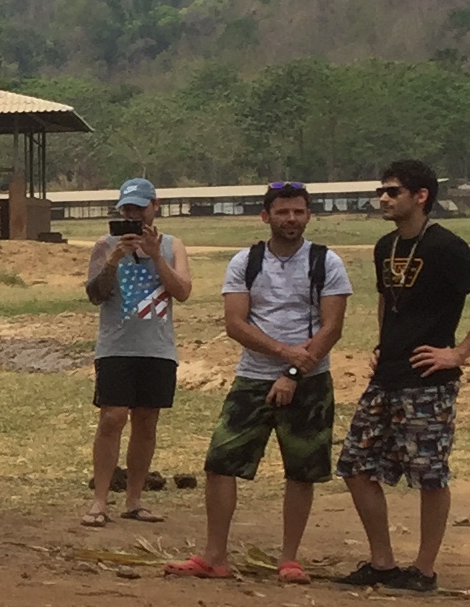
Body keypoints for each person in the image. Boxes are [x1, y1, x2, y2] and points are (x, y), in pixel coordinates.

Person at [337, 158, 470, 594]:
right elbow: (386, 299)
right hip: (387, 376)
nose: (383, 198)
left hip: (428, 381)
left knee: (429, 474)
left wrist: (460, 352)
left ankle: (425, 569)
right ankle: (383, 562)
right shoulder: (384, 246)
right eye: (382, 191)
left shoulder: (444, 246)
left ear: (421, 196)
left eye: (393, 191)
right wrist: (382, 345)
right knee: (355, 464)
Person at [167, 179, 350, 583]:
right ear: (266, 216)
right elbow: (235, 324)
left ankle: (290, 559)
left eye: (299, 211)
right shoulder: (245, 262)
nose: (291, 219)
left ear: (308, 215)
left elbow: (332, 327)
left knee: (301, 470)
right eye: (283, 212)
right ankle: (214, 555)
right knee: (220, 462)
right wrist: (284, 355)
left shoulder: (326, 262)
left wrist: (292, 372)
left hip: (309, 380)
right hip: (252, 377)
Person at [83, 177, 191, 525]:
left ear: (154, 207)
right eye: (126, 210)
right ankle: (100, 500)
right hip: (116, 345)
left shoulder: (173, 245)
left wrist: (157, 256)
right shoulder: (104, 245)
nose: (133, 217)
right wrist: (113, 259)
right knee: (112, 417)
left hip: (157, 348)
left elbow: (183, 291)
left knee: (146, 421)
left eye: (139, 209)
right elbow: (96, 295)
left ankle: (134, 499)